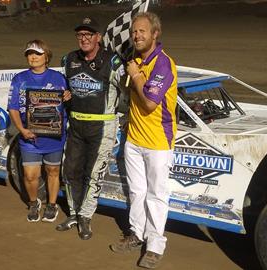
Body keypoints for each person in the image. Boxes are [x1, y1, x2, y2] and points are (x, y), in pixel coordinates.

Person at [110, 12, 177, 269]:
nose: (136, 36)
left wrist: (136, 74)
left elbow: (150, 103)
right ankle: (136, 234)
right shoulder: (134, 60)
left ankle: (155, 246)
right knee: (137, 192)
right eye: (134, 32)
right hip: (134, 139)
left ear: (155, 34)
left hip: (158, 141)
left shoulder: (163, 64)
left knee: (157, 194)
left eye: (142, 31)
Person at [55, 17, 125, 240]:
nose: (84, 39)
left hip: (102, 127)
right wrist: (64, 95)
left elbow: (127, 90)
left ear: (98, 37)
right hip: (76, 124)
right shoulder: (69, 59)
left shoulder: (113, 62)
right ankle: (74, 213)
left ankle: (86, 217)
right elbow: (65, 89)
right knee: (70, 171)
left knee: (93, 174)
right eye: (80, 35)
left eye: (88, 34)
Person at [8, 39, 71, 223]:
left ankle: (52, 205)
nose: (33, 57)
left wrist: (68, 96)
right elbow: (13, 108)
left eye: (37, 53)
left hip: (53, 138)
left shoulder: (58, 78)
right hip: (29, 138)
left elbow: (66, 102)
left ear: (47, 57)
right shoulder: (19, 79)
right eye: (29, 53)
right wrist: (22, 129)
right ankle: (34, 202)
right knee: (30, 175)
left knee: (52, 171)